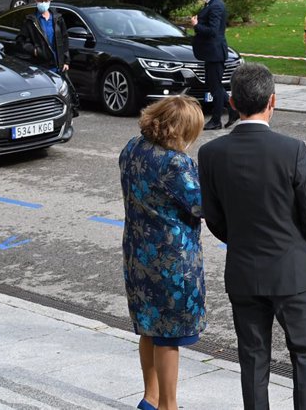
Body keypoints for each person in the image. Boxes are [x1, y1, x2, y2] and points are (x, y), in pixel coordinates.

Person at [198, 63, 306, 409]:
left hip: (244, 270)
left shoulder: (210, 154)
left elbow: (215, 219)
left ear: (231, 102)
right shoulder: (292, 150)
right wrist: (302, 254)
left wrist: (241, 239)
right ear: (273, 101)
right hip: (293, 270)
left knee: (253, 360)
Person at [120, 95, 206, 410]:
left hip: (137, 253)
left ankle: (150, 397)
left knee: (148, 327)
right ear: (177, 130)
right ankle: (169, 406)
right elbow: (200, 205)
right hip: (172, 260)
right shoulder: (175, 163)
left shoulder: (132, 147)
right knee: (169, 336)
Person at [16, 0, 78, 116]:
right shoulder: (31, 21)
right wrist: (34, 51)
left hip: (58, 64)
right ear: (36, 1)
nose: (43, 3)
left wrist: (66, 60)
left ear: (50, 0)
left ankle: (63, 116)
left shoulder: (57, 19)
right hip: (41, 64)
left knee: (61, 93)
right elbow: (21, 41)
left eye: (45, 0)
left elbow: (64, 40)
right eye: (40, 1)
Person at [191, 0, 239, 130]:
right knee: (213, 85)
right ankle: (233, 110)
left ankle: (216, 120)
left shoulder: (216, 5)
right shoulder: (210, 3)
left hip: (215, 52)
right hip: (210, 53)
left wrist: (196, 25)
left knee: (215, 86)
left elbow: (213, 30)